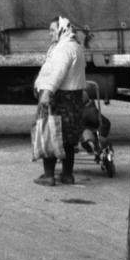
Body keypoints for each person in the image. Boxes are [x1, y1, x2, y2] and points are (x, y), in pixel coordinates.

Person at [33, 15, 87, 186]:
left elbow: (57, 73)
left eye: (52, 30)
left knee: (49, 134)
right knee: (68, 138)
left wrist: (47, 93)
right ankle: (67, 175)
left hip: (58, 99)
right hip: (73, 99)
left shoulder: (64, 49)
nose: (50, 34)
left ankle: (49, 176)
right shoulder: (74, 46)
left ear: (62, 29)